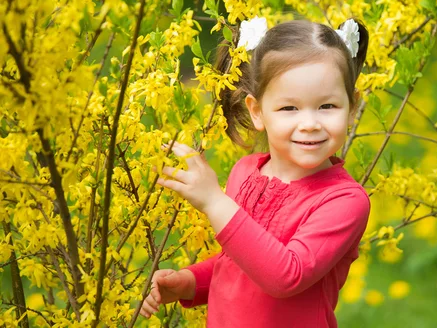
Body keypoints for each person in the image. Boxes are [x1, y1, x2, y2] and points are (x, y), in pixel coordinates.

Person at [140, 17, 371, 327]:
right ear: (258, 111)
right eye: (289, 108)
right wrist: (190, 282)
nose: (310, 123)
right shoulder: (245, 172)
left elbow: (285, 276)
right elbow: (238, 264)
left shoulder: (343, 201)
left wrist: (214, 202)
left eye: (327, 106)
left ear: (351, 107)